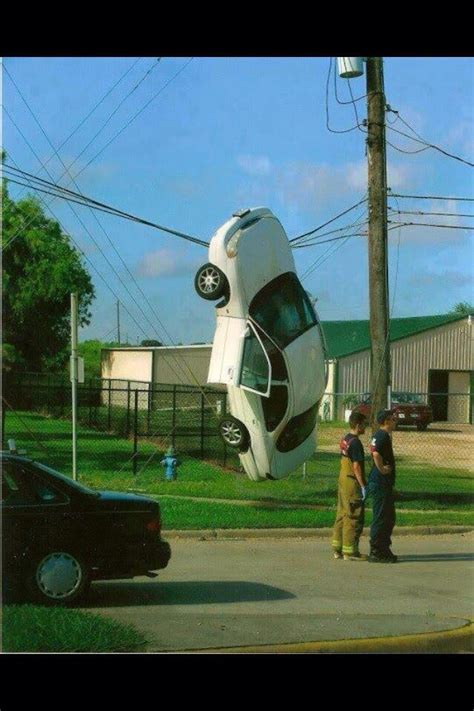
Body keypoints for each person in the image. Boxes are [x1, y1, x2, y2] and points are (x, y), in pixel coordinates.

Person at [331, 411, 368, 561]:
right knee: (353, 514)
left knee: (342, 513)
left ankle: (337, 549)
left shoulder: (345, 439)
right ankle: (350, 551)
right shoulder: (356, 443)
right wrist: (363, 485)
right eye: (364, 424)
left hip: (342, 480)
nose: (366, 427)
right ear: (358, 425)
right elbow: (356, 466)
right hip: (352, 482)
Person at [367, 409, 398, 563]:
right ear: (386, 421)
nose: (395, 421)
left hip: (383, 483)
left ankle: (384, 548)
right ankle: (376, 551)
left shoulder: (382, 435)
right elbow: (376, 453)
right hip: (380, 482)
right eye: (393, 418)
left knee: (389, 516)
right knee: (381, 517)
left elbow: (373, 449)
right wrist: (382, 468)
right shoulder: (381, 435)